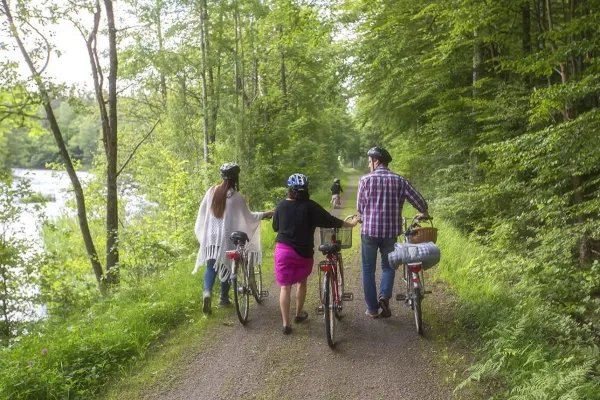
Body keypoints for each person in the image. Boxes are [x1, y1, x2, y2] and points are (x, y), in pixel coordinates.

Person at [273, 173, 359, 334]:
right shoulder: (311, 206)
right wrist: (351, 224)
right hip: (303, 253)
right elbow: (333, 221)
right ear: (307, 190)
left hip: (283, 251)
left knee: (285, 288)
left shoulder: (281, 205)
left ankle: (286, 324)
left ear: (290, 190)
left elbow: (275, 227)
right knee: (301, 283)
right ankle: (298, 314)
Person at [357, 147, 430, 318]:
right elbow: (418, 200)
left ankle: (372, 309)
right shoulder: (400, 180)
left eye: (369, 161)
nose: (368, 165)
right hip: (390, 232)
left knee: (368, 269)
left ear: (376, 161)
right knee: (388, 266)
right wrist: (424, 212)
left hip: (369, 231)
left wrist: (364, 214)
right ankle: (384, 296)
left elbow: (360, 208)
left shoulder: (365, 180)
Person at [193, 162, 274, 315]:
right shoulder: (236, 197)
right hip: (226, 237)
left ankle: (207, 292)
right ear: (236, 178)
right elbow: (248, 217)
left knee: (211, 267)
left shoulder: (211, 191)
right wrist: (266, 214)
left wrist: (204, 234)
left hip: (210, 237)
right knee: (227, 266)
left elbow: (202, 214)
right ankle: (224, 298)